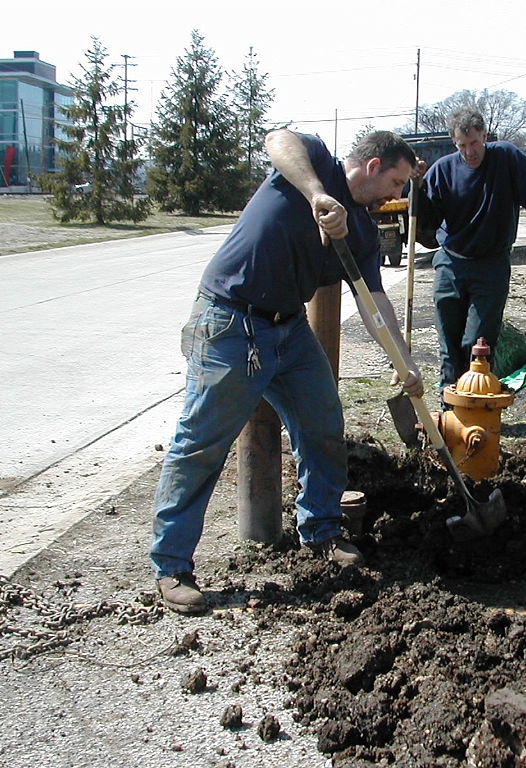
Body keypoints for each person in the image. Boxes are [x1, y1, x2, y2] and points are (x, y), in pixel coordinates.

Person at [150, 129, 424, 614]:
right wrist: (317, 194)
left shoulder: (360, 230)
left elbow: (374, 300)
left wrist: (404, 363)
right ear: (375, 166)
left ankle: (320, 530)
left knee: (322, 424)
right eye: (398, 183)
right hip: (231, 321)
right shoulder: (315, 162)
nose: (398, 196)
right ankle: (171, 566)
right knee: (202, 444)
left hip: (288, 330)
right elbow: (278, 140)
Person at [415, 108, 526, 396]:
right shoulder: (442, 171)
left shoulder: (506, 160)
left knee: (477, 343)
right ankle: (450, 414)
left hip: (491, 265)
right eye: (462, 146)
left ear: (484, 136)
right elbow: (426, 227)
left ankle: (477, 404)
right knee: (449, 343)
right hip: (450, 264)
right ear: (454, 142)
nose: (470, 152)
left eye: (474, 143)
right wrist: (417, 190)